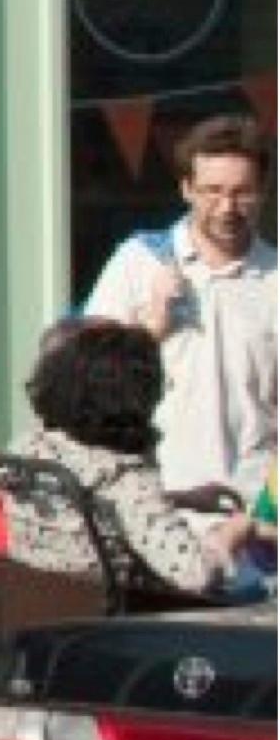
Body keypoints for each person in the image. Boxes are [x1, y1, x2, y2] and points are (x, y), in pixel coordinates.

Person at [81, 113, 275, 512]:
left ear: (265, 191)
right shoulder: (139, 261)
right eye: (212, 191)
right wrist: (150, 329)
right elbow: (85, 381)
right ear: (186, 189)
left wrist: (265, 512)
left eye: (242, 192)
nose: (227, 207)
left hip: (252, 511)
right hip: (154, 501)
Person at [6, 319, 255, 600]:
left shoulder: (33, 452)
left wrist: (183, 499)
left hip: (40, 607)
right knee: (253, 588)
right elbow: (195, 573)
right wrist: (236, 531)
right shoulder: (125, 478)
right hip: (118, 624)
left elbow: (89, 507)